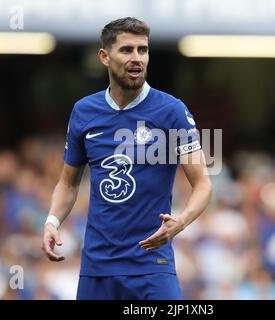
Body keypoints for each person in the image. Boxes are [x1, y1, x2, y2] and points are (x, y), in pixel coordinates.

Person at [42, 17, 212, 300]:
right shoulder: (84, 112)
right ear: (104, 57)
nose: (137, 58)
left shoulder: (171, 111)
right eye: (127, 50)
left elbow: (203, 183)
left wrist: (181, 222)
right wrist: (52, 221)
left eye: (142, 50)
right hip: (97, 267)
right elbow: (68, 184)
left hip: (151, 265)